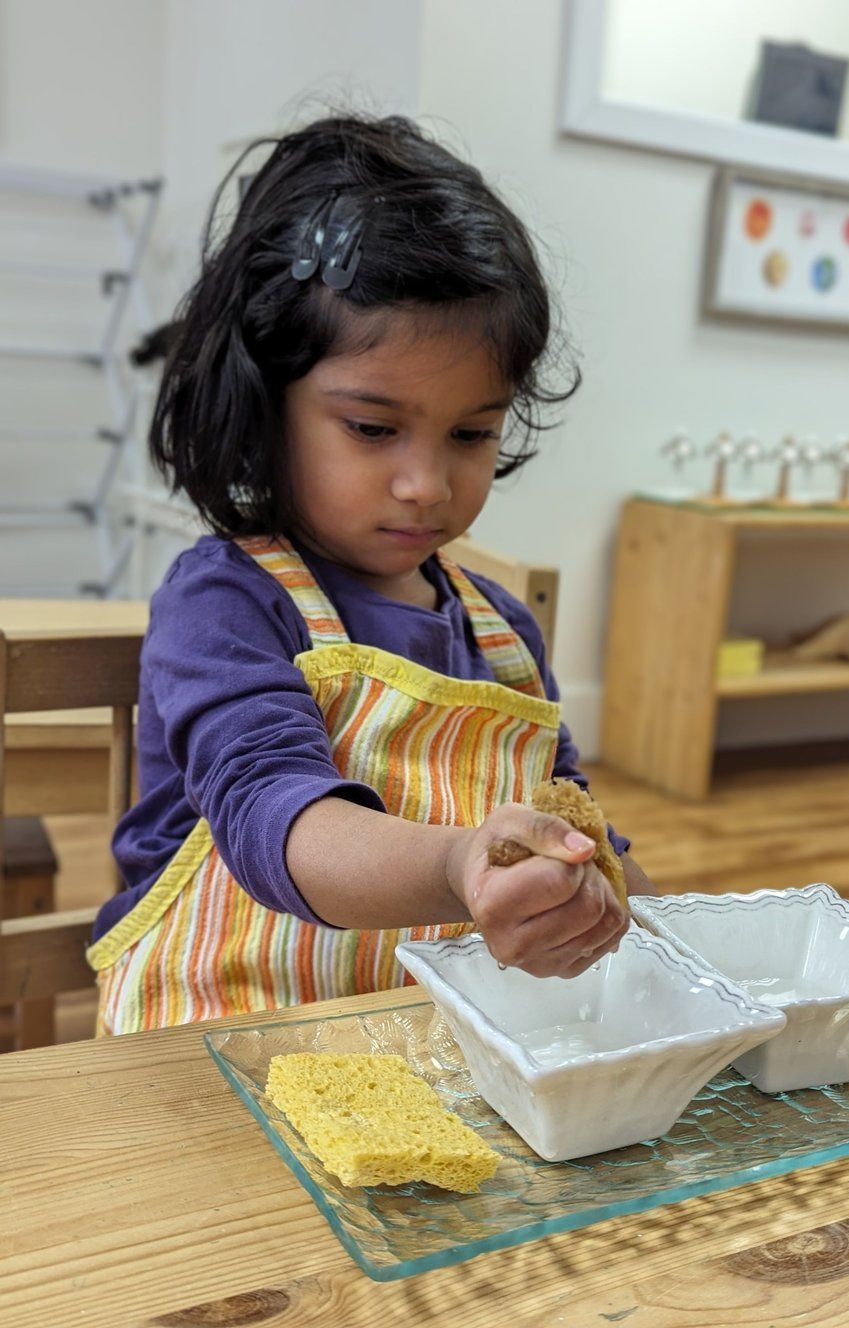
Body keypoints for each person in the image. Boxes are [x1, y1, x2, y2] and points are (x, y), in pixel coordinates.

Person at [89, 113, 651, 1036]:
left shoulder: (503, 636)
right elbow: (281, 818)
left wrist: (612, 897)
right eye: (371, 428)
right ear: (264, 404)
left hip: (435, 1049)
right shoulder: (225, 604)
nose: (426, 484)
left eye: (471, 432)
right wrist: (458, 862)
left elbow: (581, 822)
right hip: (209, 1054)